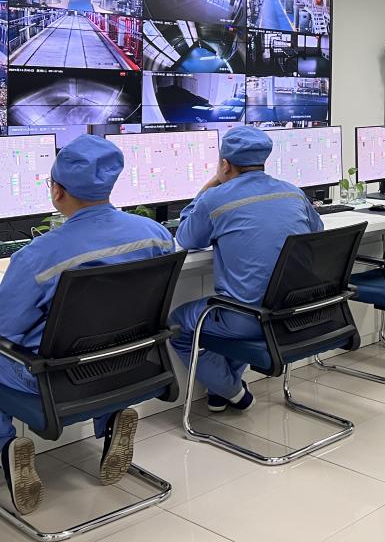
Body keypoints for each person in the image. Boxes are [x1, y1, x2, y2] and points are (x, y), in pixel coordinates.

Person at [0, 135, 174, 515]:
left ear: (57, 191)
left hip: (57, 384)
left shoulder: (37, 256)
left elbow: (4, 330)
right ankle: (112, 420)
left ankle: (6, 447)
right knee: (106, 335)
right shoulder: (157, 236)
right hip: (130, 368)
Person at [170, 126, 323, 411]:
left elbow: (187, 238)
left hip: (248, 318)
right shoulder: (293, 193)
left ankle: (233, 391)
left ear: (225, 164)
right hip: (294, 310)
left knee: (178, 324)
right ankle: (220, 392)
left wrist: (209, 187)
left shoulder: (216, 199)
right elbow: (317, 230)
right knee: (239, 295)